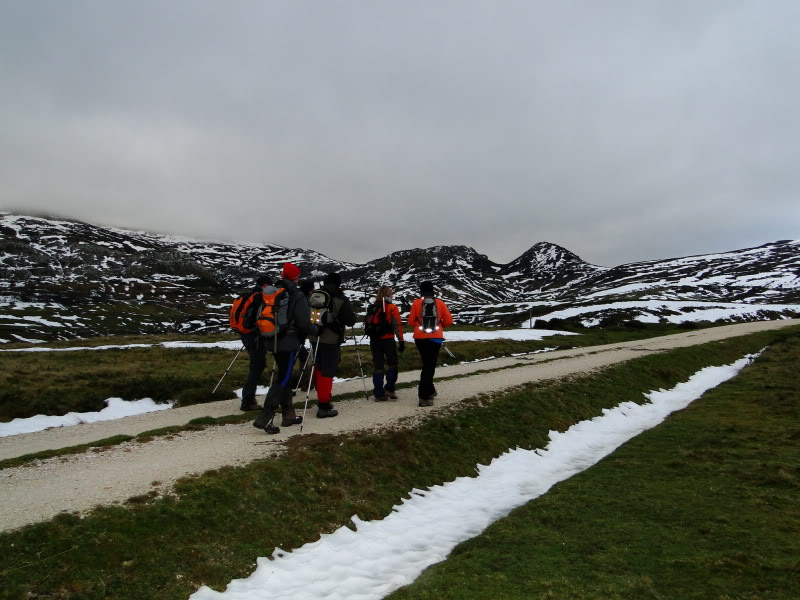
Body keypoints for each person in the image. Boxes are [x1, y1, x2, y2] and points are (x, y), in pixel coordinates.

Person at [253, 263, 317, 434]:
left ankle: (288, 415)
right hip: (288, 342)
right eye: (298, 276)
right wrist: (315, 329)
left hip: (273, 339)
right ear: (295, 278)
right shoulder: (296, 295)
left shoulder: (273, 291)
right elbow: (303, 323)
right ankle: (265, 418)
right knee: (284, 377)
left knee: (284, 376)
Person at [310, 272, 356, 418]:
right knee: (327, 371)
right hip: (331, 338)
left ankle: (322, 399)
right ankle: (324, 406)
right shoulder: (339, 297)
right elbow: (350, 320)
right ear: (338, 283)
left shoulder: (314, 294)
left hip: (314, 336)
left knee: (318, 367)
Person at [406, 280, 453, 407]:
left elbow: (410, 322)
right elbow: (449, 321)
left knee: (427, 364)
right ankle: (424, 396)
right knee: (429, 366)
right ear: (433, 290)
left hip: (420, 338)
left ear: (421, 290)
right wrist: (439, 323)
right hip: (435, 338)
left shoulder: (416, 303)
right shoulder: (440, 303)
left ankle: (430, 391)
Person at [239, 275, 272, 411]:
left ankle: (248, 398)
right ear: (265, 285)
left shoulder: (247, 295)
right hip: (255, 335)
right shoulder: (259, 297)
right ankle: (247, 400)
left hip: (244, 333)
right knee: (257, 365)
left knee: (256, 364)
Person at [367, 285, 405, 401]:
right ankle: (390, 389)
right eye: (391, 293)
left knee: (378, 366)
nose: (392, 295)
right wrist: (401, 340)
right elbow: (397, 325)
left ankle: (379, 393)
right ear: (388, 295)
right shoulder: (391, 307)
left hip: (374, 340)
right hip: (387, 339)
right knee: (392, 364)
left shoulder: (372, 307)